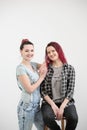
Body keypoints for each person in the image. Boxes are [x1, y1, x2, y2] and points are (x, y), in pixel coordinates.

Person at [40, 41, 78, 130]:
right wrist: (53, 105)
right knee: (47, 118)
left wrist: (62, 107)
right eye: (48, 52)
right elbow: (43, 91)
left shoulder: (69, 69)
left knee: (73, 118)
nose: (51, 54)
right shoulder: (46, 69)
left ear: (58, 51)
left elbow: (70, 91)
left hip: (66, 102)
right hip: (49, 103)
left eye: (53, 51)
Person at [16, 39, 47, 130]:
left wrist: (48, 56)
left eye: (32, 50)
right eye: (26, 51)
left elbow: (45, 65)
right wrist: (41, 77)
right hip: (26, 107)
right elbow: (29, 89)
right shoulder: (20, 68)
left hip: (37, 106)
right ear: (21, 52)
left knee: (45, 128)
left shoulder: (33, 64)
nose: (30, 53)